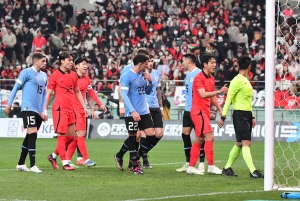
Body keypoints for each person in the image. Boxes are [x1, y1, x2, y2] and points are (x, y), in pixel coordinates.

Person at [47, 57, 107, 168]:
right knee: (79, 135)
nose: (86, 66)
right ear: (77, 66)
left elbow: (90, 93)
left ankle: (57, 156)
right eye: (83, 64)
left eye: (86, 64)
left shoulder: (86, 78)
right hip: (71, 109)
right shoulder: (71, 76)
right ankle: (85, 159)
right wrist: (45, 109)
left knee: (73, 137)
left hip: (80, 109)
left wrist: (98, 105)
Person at [218, 56, 264, 178]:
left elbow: (248, 101)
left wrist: (252, 116)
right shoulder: (236, 80)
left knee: (239, 143)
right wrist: (223, 116)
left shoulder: (245, 80)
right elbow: (229, 99)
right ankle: (253, 171)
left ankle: (227, 168)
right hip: (240, 114)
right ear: (249, 67)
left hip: (247, 114)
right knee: (246, 143)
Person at [4, 53, 48, 173]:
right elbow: (15, 88)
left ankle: (20, 164)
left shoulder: (44, 76)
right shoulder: (26, 72)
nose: (45, 63)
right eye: (43, 61)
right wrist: (9, 104)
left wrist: (43, 110)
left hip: (38, 111)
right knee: (32, 133)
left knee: (30, 136)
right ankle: (33, 165)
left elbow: (44, 94)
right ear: (36, 62)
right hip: (28, 108)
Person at [44, 52, 88, 171]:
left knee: (72, 137)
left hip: (70, 109)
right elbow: (48, 94)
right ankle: (64, 162)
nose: (71, 62)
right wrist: (44, 109)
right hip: (59, 109)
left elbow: (77, 92)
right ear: (62, 61)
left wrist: (84, 106)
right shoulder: (54, 76)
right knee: (62, 136)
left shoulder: (73, 75)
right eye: (69, 60)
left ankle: (53, 156)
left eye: (72, 60)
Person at [187, 54, 227, 175]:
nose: (214, 65)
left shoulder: (211, 78)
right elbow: (203, 94)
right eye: (211, 63)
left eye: (215, 62)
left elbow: (212, 96)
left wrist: (220, 110)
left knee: (199, 139)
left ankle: (191, 167)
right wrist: (219, 91)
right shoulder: (198, 78)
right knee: (210, 137)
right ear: (205, 64)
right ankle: (211, 166)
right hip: (198, 112)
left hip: (204, 112)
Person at [114, 54, 154, 174]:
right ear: (140, 64)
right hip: (131, 112)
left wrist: (150, 82)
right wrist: (132, 111)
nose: (148, 65)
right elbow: (124, 95)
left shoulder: (144, 75)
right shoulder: (127, 75)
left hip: (144, 111)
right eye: (146, 63)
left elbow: (147, 91)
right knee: (133, 137)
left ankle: (128, 157)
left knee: (151, 135)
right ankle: (135, 165)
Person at [176, 53, 205, 173]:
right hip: (188, 109)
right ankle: (188, 163)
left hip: (198, 110)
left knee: (200, 136)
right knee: (185, 134)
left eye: (183, 61)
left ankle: (202, 164)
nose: (181, 63)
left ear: (189, 62)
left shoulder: (200, 74)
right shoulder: (188, 76)